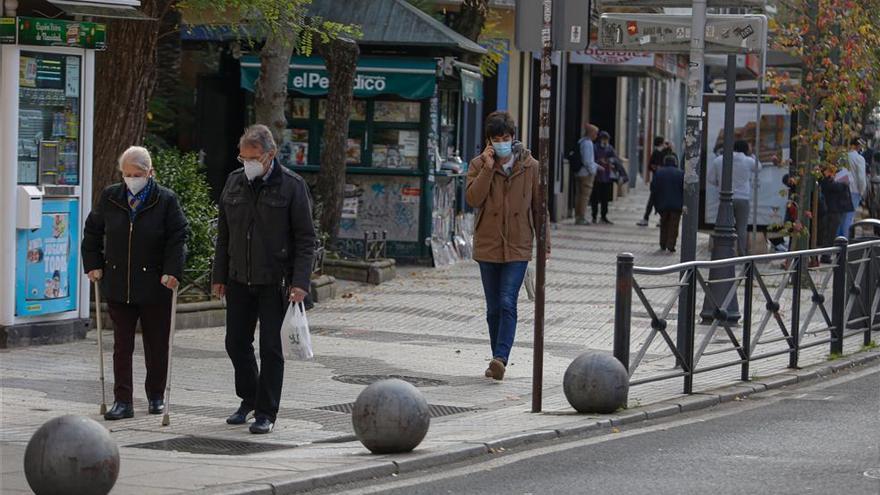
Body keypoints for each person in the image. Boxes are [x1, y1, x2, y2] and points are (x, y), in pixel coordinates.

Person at [212, 124, 316, 434]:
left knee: (272, 348)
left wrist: (300, 282)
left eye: (253, 157)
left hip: (276, 281)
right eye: (242, 157)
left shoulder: (292, 186)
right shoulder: (233, 182)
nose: (247, 163)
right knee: (235, 343)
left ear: (269, 156)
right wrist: (219, 276)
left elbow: (306, 239)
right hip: (239, 279)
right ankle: (250, 398)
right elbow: (224, 235)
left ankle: (266, 412)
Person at [81, 146, 188, 421]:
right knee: (121, 345)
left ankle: (155, 395)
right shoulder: (111, 197)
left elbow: (178, 237)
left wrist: (173, 271)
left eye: (137, 174)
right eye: (127, 174)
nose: (131, 179)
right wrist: (93, 264)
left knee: (156, 343)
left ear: (150, 173)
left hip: (155, 284)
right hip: (118, 282)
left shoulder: (165, 200)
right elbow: (93, 230)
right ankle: (122, 400)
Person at [466, 111, 549, 381]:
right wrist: (489, 169)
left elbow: (539, 207)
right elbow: (473, 199)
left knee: (506, 301)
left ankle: (501, 357)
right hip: (488, 244)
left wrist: (543, 240)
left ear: (513, 138)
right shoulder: (478, 165)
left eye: (506, 137)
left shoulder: (530, 166)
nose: (502, 142)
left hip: (518, 243)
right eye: (496, 138)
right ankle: (496, 360)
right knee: (492, 309)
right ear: (489, 140)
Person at [708, 140, 761, 256]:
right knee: (742, 228)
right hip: (743, 198)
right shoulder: (748, 161)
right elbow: (759, 167)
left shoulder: (719, 160)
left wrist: (720, 183)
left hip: (724, 199)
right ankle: (742, 253)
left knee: (723, 226)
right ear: (746, 149)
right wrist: (751, 154)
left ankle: (724, 252)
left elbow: (711, 178)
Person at [652, 154, 685, 253]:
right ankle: (671, 245)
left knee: (664, 224)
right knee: (674, 226)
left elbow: (654, 189)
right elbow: (684, 190)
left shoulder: (659, 173)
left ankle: (662, 243)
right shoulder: (681, 173)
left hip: (663, 205)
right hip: (676, 205)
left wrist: (656, 205)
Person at [638, 137, 671, 227]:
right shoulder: (656, 153)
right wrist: (656, 168)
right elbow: (650, 166)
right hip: (657, 181)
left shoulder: (667, 152)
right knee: (653, 200)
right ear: (661, 143)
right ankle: (647, 218)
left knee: (657, 200)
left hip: (662, 181)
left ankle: (658, 219)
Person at [839, 137, 868, 238]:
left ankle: (837, 240)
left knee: (841, 217)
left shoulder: (843, 157)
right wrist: (862, 191)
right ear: (859, 146)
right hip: (854, 190)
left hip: (841, 189)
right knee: (849, 217)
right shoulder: (859, 159)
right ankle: (845, 241)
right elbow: (861, 177)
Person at [575, 124, 599, 225]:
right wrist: (593, 171)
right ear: (591, 133)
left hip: (579, 172)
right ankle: (581, 217)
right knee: (584, 196)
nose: (596, 136)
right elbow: (587, 160)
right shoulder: (588, 143)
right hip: (586, 174)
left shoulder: (581, 141)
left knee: (579, 195)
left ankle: (578, 216)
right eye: (595, 133)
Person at [591, 130, 617, 224]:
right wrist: (599, 161)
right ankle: (594, 215)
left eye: (606, 139)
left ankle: (603, 216)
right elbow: (592, 159)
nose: (605, 141)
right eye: (603, 138)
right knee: (595, 197)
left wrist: (609, 161)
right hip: (596, 176)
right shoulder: (595, 147)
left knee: (605, 198)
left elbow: (614, 158)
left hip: (606, 177)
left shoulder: (610, 148)